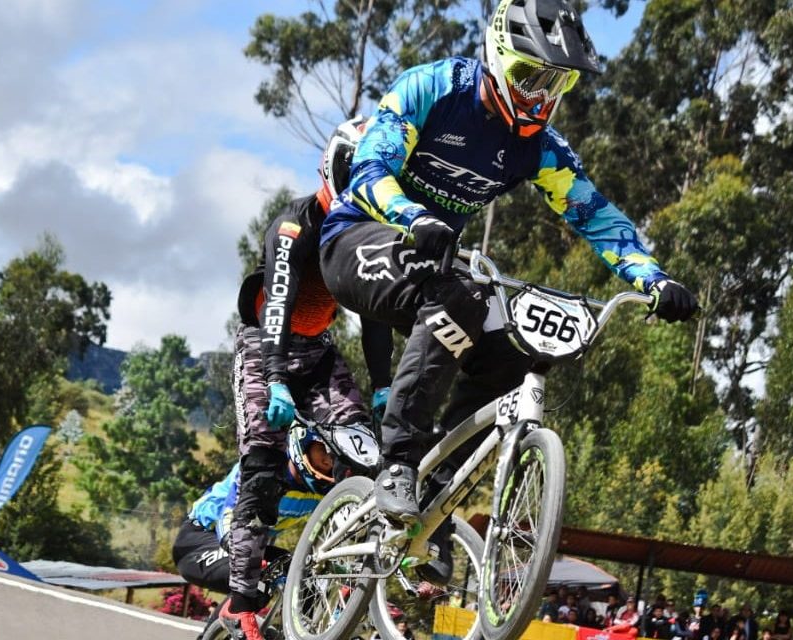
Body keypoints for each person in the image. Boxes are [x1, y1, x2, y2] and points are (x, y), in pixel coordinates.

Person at [317, 0, 700, 564]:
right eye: (529, 76)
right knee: (459, 296)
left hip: (435, 269)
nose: (539, 95)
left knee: (507, 354)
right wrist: (414, 217)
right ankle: (397, 461)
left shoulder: (541, 148)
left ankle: (434, 494)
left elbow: (596, 216)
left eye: (557, 82)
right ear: (497, 56)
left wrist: (653, 279)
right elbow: (372, 168)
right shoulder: (433, 88)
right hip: (358, 240)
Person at [220, 119, 395, 640]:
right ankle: (240, 603)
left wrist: (383, 386)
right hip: (264, 350)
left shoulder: (363, 234)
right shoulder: (293, 227)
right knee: (264, 468)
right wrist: (274, 378)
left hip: (317, 355)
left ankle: (347, 569)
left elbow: (375, 314)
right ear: (334, 169)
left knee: (366, 448)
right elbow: (275, 305)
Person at [172, 425, 353, 633]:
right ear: (304, 443)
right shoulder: (264, 468)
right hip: (200, 540)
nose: (329, 461)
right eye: (324, 450)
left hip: (250, 548)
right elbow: (228, 520)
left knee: (304, 577)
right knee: (259, 574)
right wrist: (250, 560)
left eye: (334, 455)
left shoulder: (321, 490)